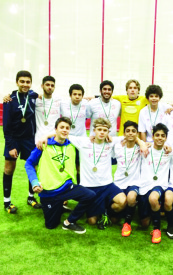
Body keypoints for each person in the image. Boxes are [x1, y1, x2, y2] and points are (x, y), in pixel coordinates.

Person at [25, 117, 96, 233]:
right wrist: (34, 182)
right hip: (49, 192)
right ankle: (58, 206)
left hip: (67, 187)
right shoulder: (44, 144)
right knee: (51, 225)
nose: (64, 130)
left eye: (67, 128)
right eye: (61, 127)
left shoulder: (72, 145)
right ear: (55, 129)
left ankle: (69, 222)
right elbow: (29, 164)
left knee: (90, 195)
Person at [3, 70, 41, 213]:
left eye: (28, 82)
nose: (25, 84)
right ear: (17, 82)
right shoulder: (10, 100)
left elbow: (41, 95)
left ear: (31, 83)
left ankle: (31, 197)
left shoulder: (33, 96)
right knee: (9, 169)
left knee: (33, 167)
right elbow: (6, 126)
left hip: (29, 140)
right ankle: (7, 202)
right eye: (22, 81)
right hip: (14, 139)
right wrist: (11, 145)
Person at [138, 123, 173, 244]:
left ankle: (157, 229)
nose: (160, 138)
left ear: (166, 138)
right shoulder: (144, 149)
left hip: (160, 185)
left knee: (153, 199)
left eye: (163, 136)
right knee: (144, 223)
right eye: (157, 135)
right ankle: (157, 212)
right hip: (144, 186)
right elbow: (126, 137)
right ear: (152, 137)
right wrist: (141, 142)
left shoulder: (169, 152)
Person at [113, 121, 142, 237]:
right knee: (114, 217)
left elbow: (152, 146)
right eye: (128, 131)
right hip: (118, 182)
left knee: (130, 198)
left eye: (133, 131)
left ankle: (127, 223)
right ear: (124, 133)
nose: (130, 133)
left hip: (133, 182)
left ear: (137, 134)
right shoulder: (117, 147)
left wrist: (140, 141)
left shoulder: (141, 147)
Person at [35, 76, 61, 142]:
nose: (50, 87)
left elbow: (74, 99)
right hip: (39, 139)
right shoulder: (36, 100)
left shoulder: (59, 100)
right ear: (42, 86)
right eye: (47, 85)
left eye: (52, 85)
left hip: (54, 138)